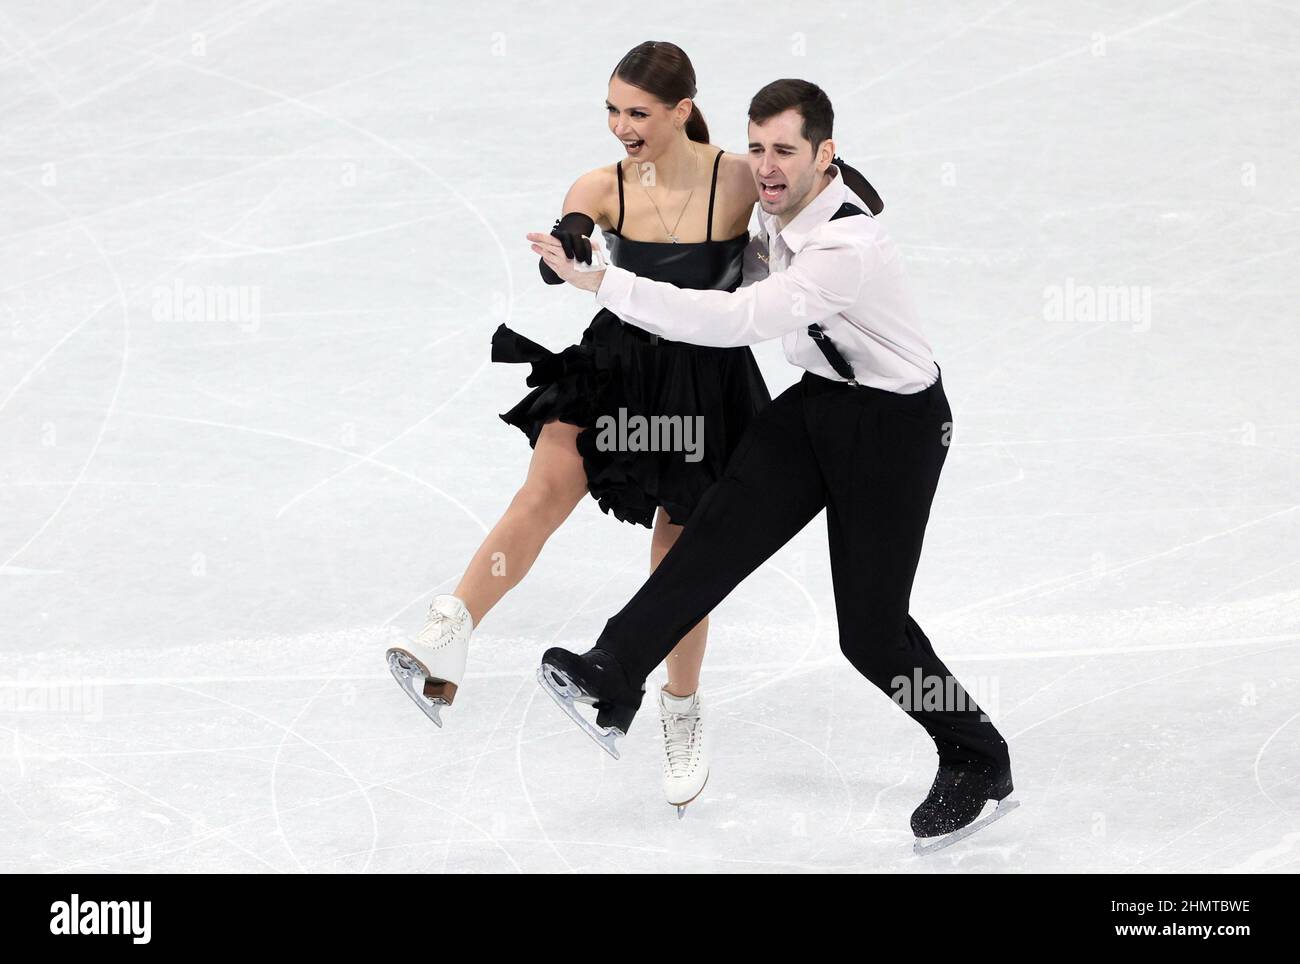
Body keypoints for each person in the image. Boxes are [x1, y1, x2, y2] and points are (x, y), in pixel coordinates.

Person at [530, 79, 1017, 850]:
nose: (765, 165)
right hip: (819, 403)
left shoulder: (847, 248)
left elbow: (742, 319)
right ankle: (613, 673)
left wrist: (606, 284)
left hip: (896, 430)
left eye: (784, 150)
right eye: (757, 148)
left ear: (826, 153)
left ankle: (978, 757)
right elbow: (736, 264)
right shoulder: (781, 210)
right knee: (714, 530)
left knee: (873, 636)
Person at [385, 41, 771, 815]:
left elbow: (800, 205)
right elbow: (573, 229)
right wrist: (568, 246)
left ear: (681, 111)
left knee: (679, 550)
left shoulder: (736, 176)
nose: (621, 127)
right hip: (619, 364)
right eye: (611, 109)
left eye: (638, 113)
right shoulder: (604, 184)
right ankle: (450, 628)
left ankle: (679, 709)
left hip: (705, 379)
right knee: (547, 487)